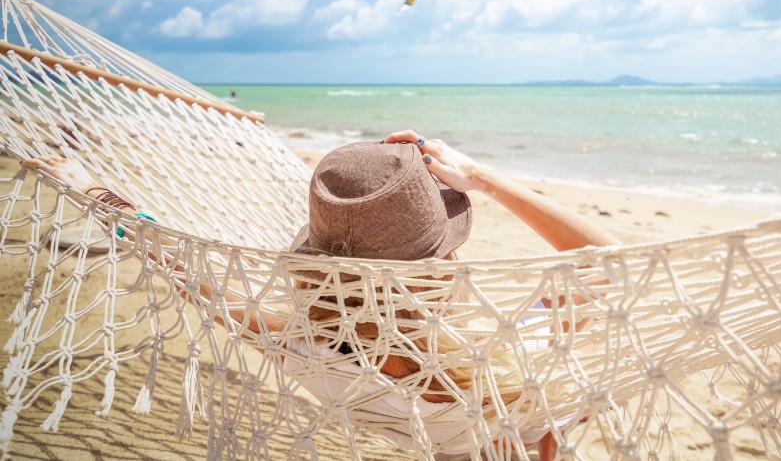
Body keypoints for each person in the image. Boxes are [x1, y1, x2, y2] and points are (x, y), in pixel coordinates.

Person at [20, 129, 620, 460]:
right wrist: (484, 178)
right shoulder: (510, 351)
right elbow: (610, 263)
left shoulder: (308, 351)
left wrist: (100, 196)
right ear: (442, 266)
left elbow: (189, 270)